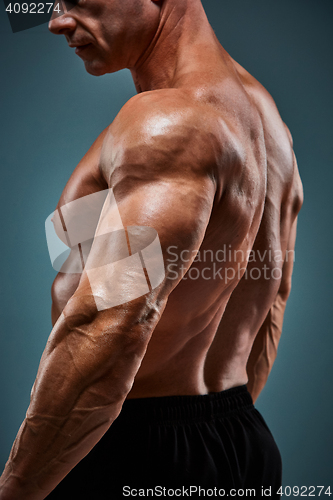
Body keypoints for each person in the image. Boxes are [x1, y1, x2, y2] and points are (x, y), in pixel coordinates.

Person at [0, 0, 303, 498]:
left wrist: (17, 491)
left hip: (138, 451)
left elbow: (110, 322)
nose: (55, 20)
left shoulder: (170, 123)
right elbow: (273, 294)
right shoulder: (267, 121)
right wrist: (216, 439)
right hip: (240, 434)